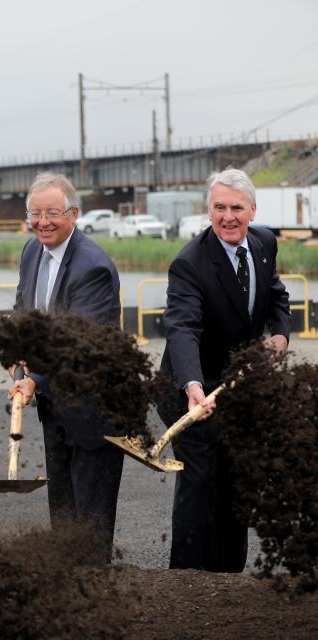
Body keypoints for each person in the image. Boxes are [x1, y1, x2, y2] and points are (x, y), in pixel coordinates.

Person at [159, 168, 290, 572]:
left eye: (236, 207)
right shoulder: (189, 264)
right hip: (189, 388)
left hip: (237, 387)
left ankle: (229, 578)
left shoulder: (265, 242)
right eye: (219, 207)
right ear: (208, 210)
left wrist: (281, 335)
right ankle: (183, 578)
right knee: (199, 480)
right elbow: (182, 328)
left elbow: (275, 296)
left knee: (235, 480)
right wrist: (192, 384)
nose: (228, 216)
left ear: (253, 210)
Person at [9, 172, 123, 562]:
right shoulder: (32, 252)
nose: (43, 222)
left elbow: (80, 342)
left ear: (74, 213)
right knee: (62, 507)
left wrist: (35, 380)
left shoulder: (92, 267)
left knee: (90, 519)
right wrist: (15, 349)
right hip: (54, 405)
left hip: (94, 408)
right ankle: (67, 598)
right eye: (35, 213)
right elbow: (24, 310)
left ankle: (94, 598)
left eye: (52, 213)